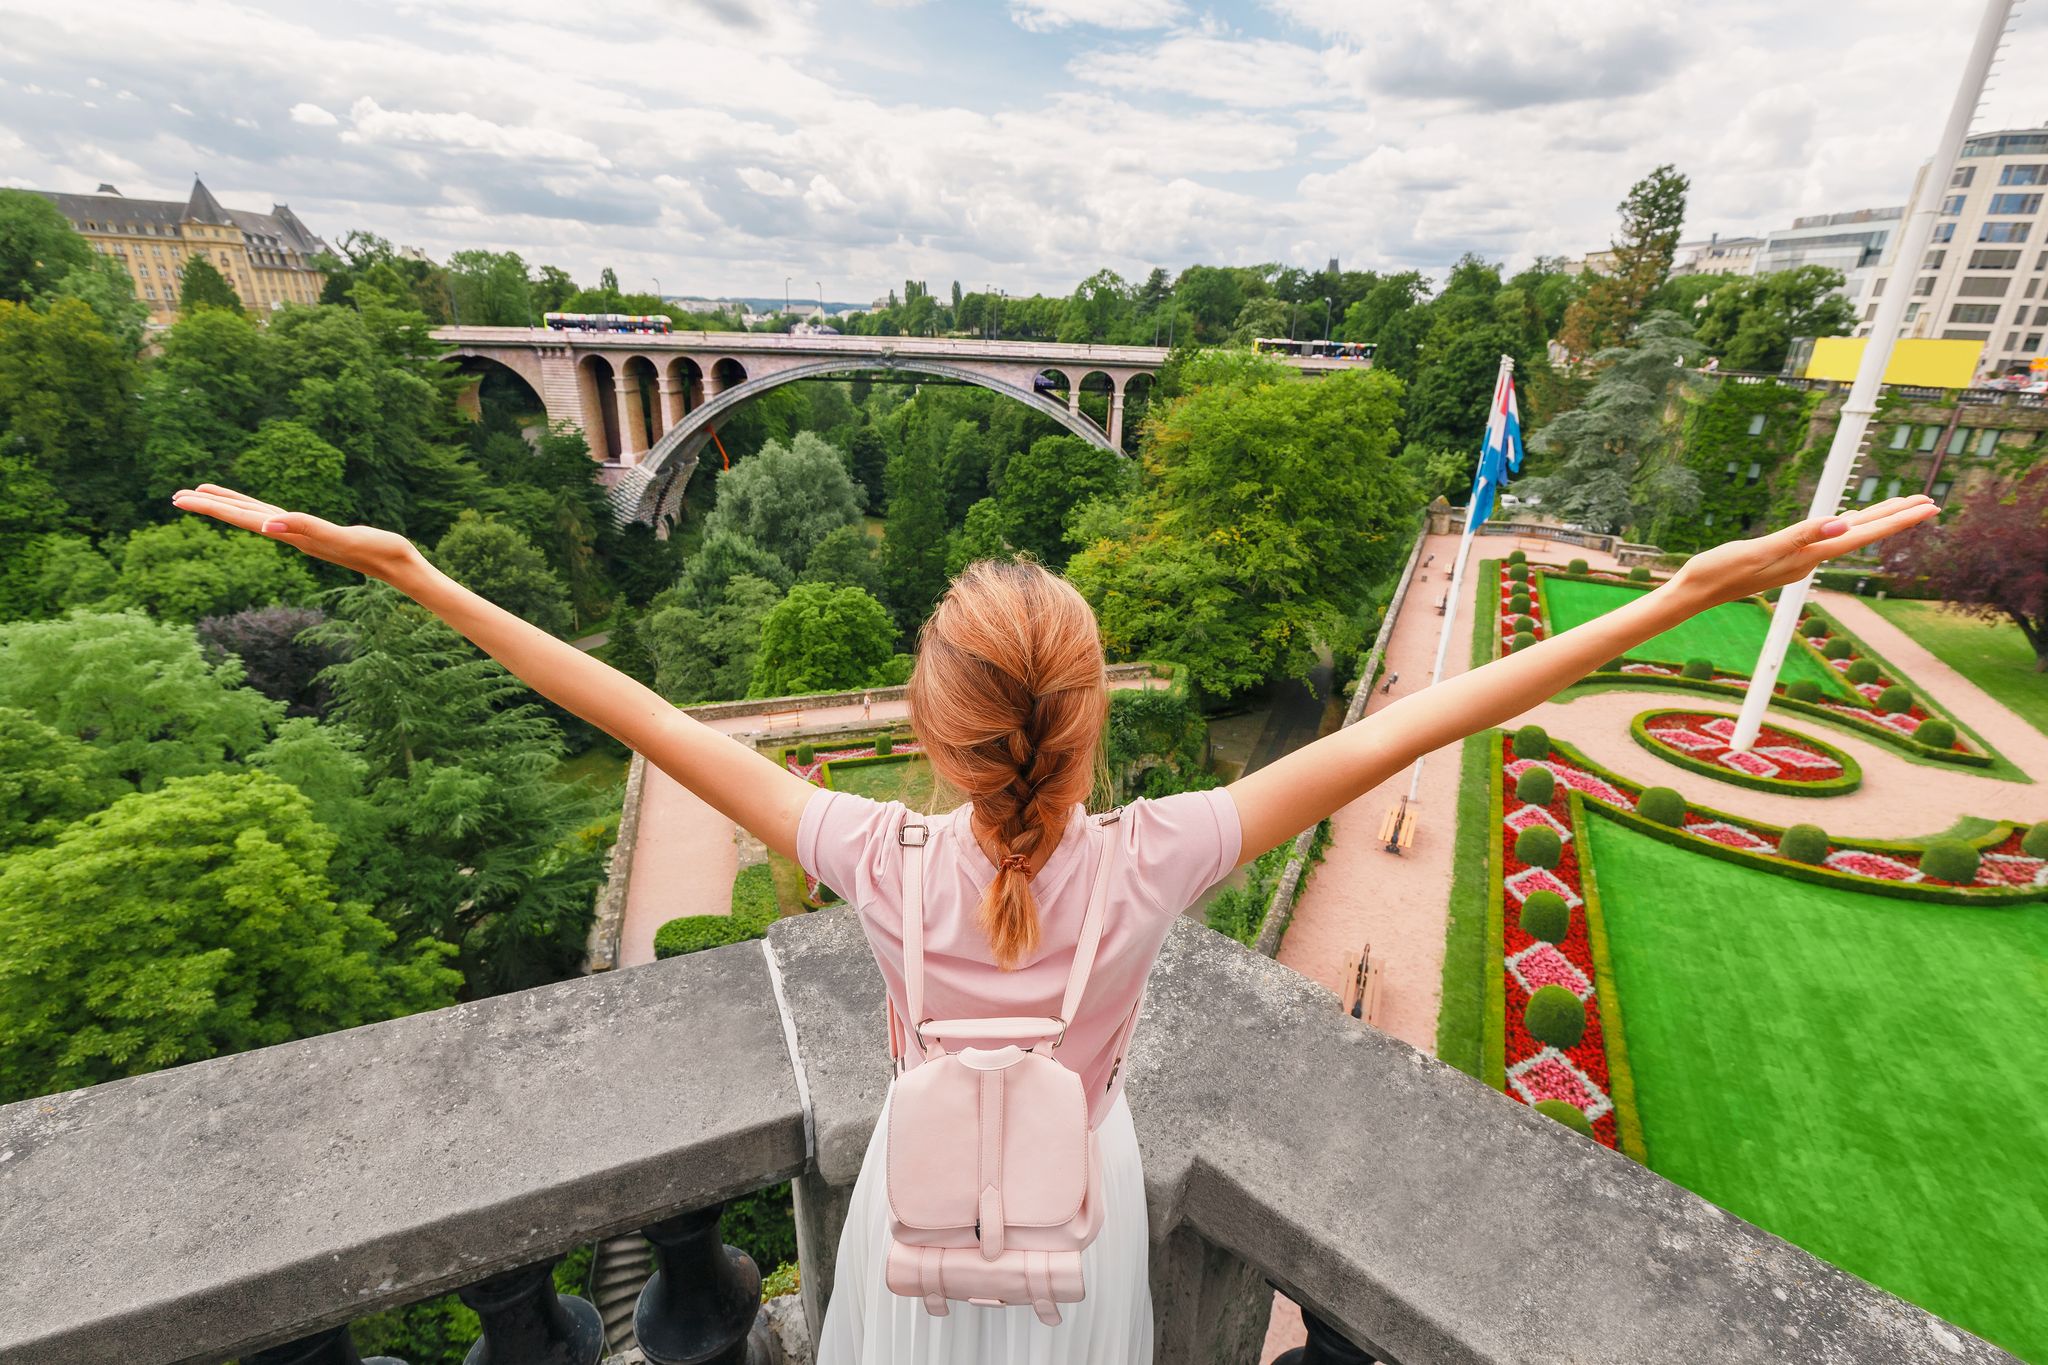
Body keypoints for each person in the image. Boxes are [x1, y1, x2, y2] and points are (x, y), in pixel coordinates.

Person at [167, 483, 1938, 1363]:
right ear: (1088, 730)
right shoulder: (1165, 852)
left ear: (933, 731)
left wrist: (416, 573)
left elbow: (631, 707)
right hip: (1074, 1218)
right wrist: (1682, 591)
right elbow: (1424, 723)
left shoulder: (871, 851)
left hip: (917, 1224)